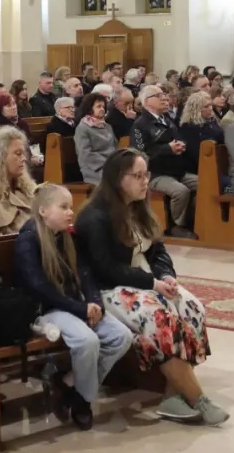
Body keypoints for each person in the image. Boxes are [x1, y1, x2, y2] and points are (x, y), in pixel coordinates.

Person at [75, 150, 222, 425]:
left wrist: (166, 276)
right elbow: (106, 269)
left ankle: (171, 397)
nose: (145, 181)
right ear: (118, 178)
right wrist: (153, 283)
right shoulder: (95, 217)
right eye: (138, 176)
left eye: (147, 175)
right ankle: (198, 399)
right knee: (160, 317)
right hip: (109, 289)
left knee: (192, 308)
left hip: (144, 282)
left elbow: (158, 251)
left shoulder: (139, 207)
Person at [14, 184, 133, 431]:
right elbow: (40, 288)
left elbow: (85, 273)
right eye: (64, 207)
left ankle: (70, 385)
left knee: (121, 336)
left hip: (73, 305)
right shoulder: (28, 240)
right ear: (44, 211)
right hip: (47, 311)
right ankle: (83, 402)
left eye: (71, 206)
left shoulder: (69, 236)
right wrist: (80, 309)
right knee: (87, 341)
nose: (71, 212)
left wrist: (94, 303)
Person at [132, 84, 200, 235]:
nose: (164, 98)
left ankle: (194, 221)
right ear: (147, 101)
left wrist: (181, 145)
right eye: (159, 96)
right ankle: (177, 226)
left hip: (176, 170)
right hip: (155, 173)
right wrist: (168, 149)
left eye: (164, 95)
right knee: (181, 191)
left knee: (205, 185)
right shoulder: (140, 125)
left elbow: (179, 137)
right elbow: (141, 154)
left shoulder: (167, 119)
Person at [74, 93, 117, 187]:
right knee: (116, 180)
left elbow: (115, 147)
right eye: (98, 106)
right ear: (89, 109)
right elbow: (85, 154)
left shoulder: (108, 126)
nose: (102, 109)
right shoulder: (82, 128)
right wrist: (108, 163)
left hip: (111, 165)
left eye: (103, 107)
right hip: (94, 168)